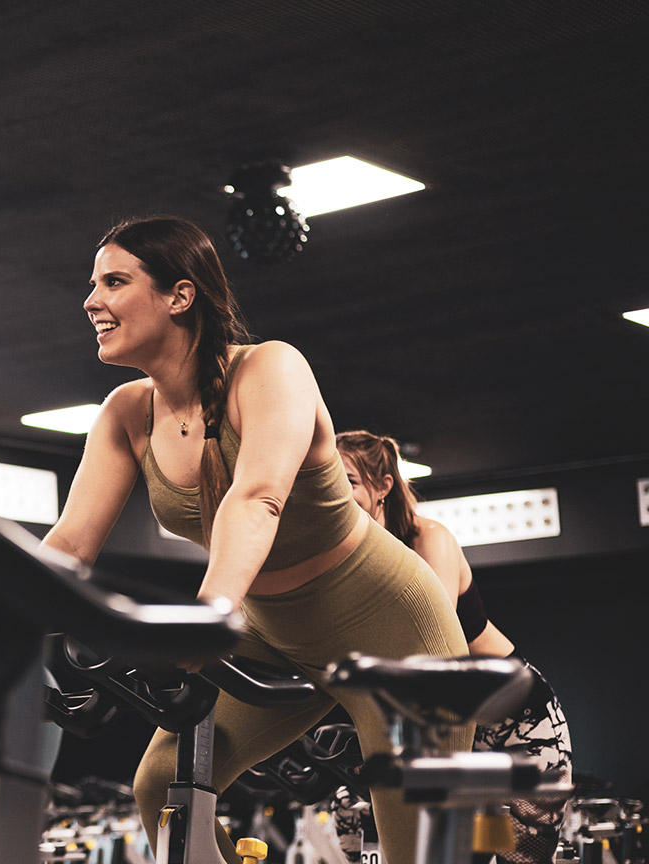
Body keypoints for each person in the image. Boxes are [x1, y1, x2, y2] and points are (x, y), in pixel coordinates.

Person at [40, 215, 470, 864]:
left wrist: (208, 614)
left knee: (418, 847)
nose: (91, 300)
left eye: (114, 281)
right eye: (92, 283)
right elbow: (71, 543)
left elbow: (258, 495)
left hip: (390, 626)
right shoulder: (126, 413)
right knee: (161, 787)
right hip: (271, 633)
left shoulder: (271, 368)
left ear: (180, 296)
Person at [336, 430, 573, 864]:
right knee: (351, 823)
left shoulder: (429, 540)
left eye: (349, 481)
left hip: (515, 720)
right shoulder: (349, 565)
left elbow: (434, 645)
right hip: (445, 726)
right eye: (329, 480)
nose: (337, 491)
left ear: (383, 487)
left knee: (515, 858)